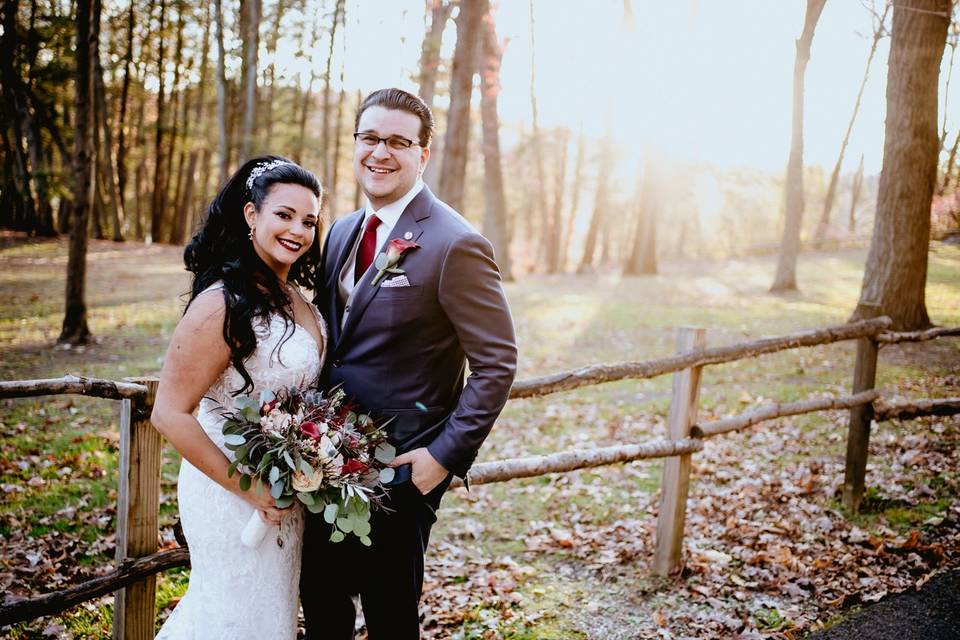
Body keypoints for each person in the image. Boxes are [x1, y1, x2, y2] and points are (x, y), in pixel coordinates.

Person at [301, 88, 518, 639]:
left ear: (423, 154)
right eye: (370, 138)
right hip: (323, 462)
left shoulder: (454, 243)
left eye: (399, 141)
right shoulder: (343, 232)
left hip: (401, 473)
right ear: (355, 144)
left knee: (390, 620)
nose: (381, 152)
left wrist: (442, 459)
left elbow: (496, 365)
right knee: (324, 609)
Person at [151, 156, 326, 639]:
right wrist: (248, 489)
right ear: (252, 216)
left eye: (309, 221)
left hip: (284, 490)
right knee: (229, 611)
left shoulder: (300, 299)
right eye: (284, 215)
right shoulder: (221, 302)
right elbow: (169, 412)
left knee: (270, 615)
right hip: (228, 489)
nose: (298, 230)